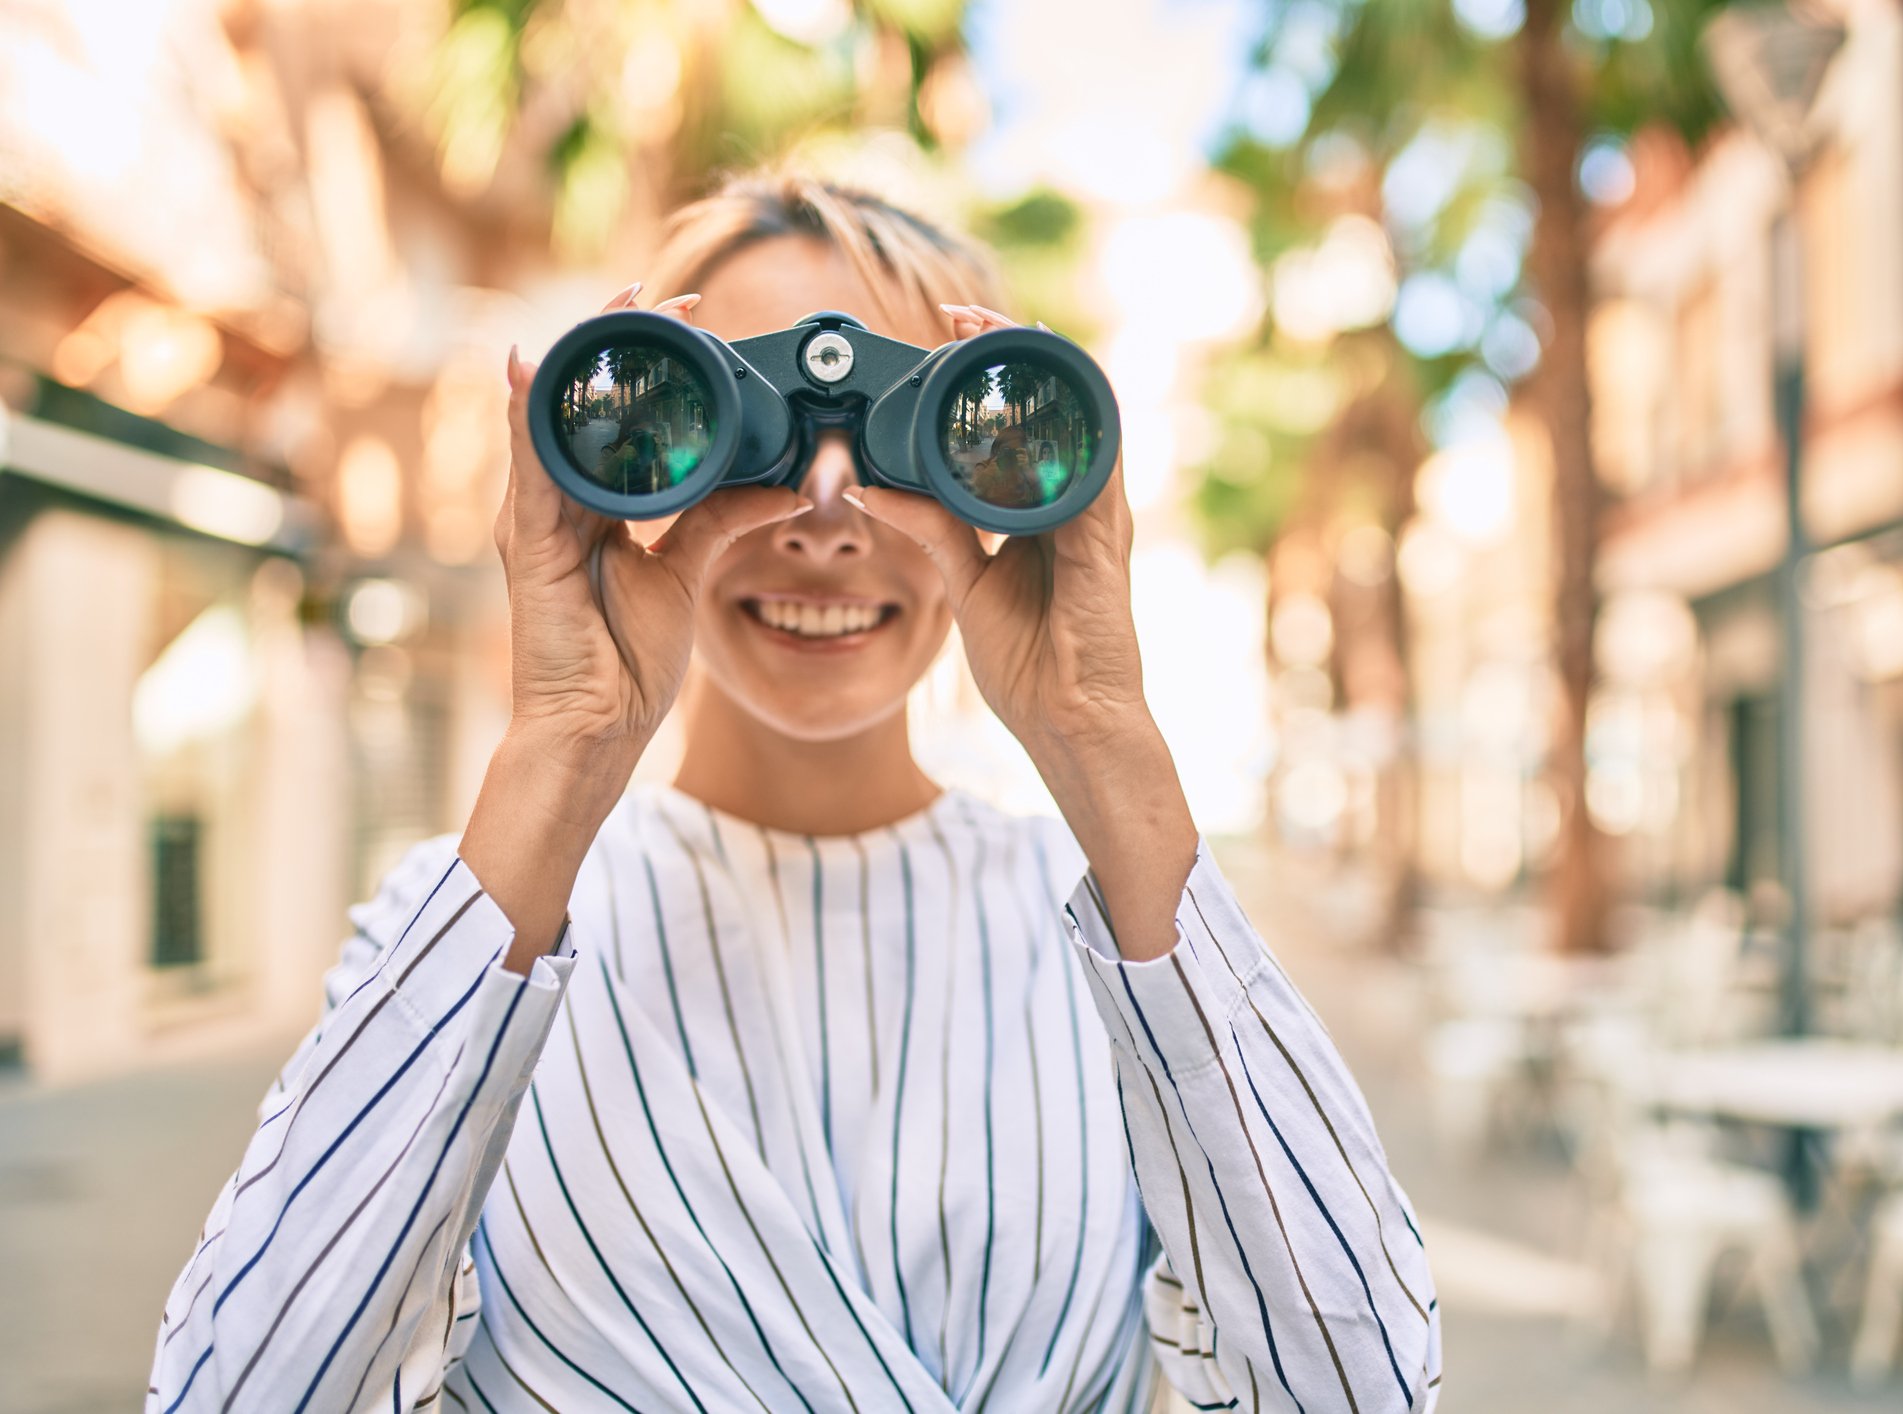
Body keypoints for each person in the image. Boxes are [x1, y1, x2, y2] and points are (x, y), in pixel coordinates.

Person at [145, 171, 1441, 1413]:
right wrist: (561, 743)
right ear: (639, 461)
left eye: (914, 438)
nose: (825, 503)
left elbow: (1361, 1392)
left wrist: (1102, 739)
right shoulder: (479, 913)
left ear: (997, 484)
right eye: (737, 428)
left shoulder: (1117, 925)